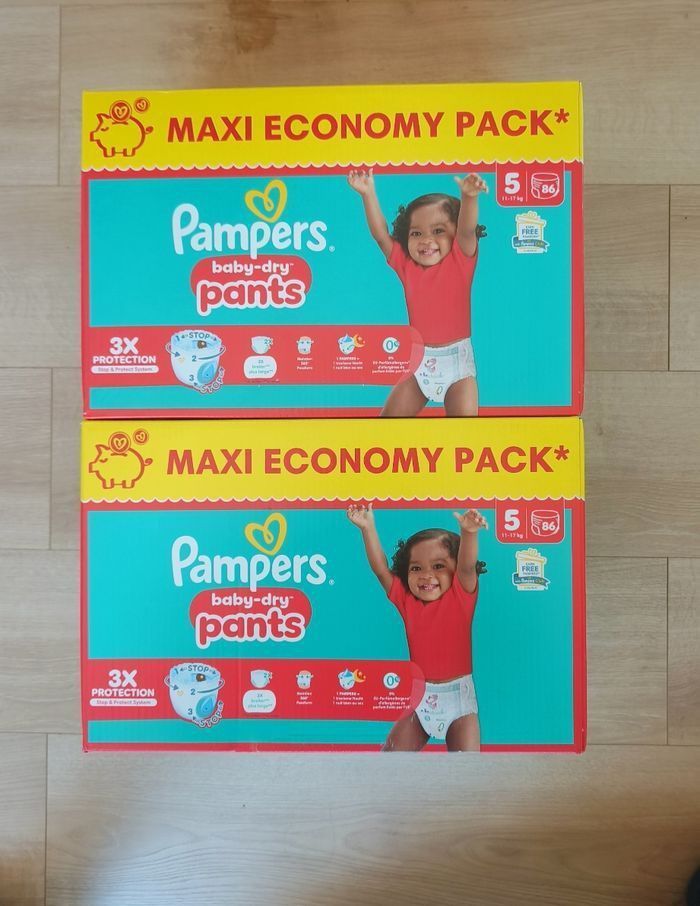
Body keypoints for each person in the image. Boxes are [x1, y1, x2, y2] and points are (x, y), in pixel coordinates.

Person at [347, 502, 487, 751]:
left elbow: (467, 566)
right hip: (420, 699)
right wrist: (367, 528)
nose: (426, 575)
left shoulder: (461, 596)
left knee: (467, 768)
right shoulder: (406, 601)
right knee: (388, 759)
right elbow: (381, 570)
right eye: (416, 568)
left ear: (455, 570)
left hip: (459, 702)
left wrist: (468, 532)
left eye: (438, 566)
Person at [347, 169, 487, 417]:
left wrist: (469, 197)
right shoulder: (406, 266)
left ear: (454, 234)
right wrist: (367, 194)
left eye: (438, 231)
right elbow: (381, 236)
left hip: (457, 366)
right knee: (386, 424)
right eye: (416, 233)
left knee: (465, 431)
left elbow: (467, 230)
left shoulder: (460, 260)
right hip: (419, 364)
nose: (426, 240)